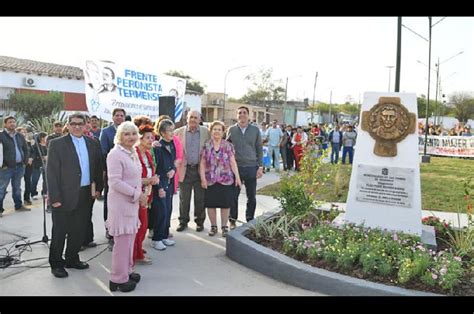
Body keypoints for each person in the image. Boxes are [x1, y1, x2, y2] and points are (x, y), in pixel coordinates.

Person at [46, 113, 104, 279]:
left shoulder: (93, 143)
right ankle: (56, 263)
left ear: (86, 125)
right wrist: (54, 198)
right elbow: (52, 172)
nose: (77, 127)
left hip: (86, 193)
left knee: (78, 230)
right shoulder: (57, 144)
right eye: (73, 124)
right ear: (68, 125)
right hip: (63, 195)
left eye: (80, 124)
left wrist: (99, 187)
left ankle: (72, 258)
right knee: (60, 231)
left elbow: (98, 167)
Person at [106, 121, 144, 292]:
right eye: (126, 134)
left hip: (132, 204)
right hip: (121, 204)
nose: (131, 137)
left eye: (133, 133)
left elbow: (135, 178)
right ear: (119, 136)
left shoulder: (132, 152)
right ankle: (117, 279)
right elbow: (114, 182)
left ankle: (127, 271)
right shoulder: (115, 154)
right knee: (122, 243)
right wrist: (137, 195)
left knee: (130, 240)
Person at [200, 121, 241, 237]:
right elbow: (202, 163)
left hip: (226, 180)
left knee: (225, 205)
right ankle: (213, 226)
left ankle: (224, 226)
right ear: (211, 131)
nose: (217, 131)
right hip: (210, 180)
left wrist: (237, 177)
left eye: (219, 129)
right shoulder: (206, 145)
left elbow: (233, 162)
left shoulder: (228, 146)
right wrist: (203, 178)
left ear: (223, 132)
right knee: (211, 204)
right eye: (214, 129)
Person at [226, 106, 263, 229]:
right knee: (233, 196)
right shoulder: (231, 130)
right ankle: (232, 220)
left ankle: (250, 219)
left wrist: (260, 166)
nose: (242, 115)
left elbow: (259, 148)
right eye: (239, 113)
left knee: (251, 196)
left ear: (249, 115)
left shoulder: (255, 130)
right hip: (236, 168)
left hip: (251, 167)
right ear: (237, 115)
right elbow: (226, 147)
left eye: (244, 113)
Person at [174, 111, 210, 232]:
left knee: (200, 198)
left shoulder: (206, 132)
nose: (193, 119)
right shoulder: (178, 132)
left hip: (200, 170)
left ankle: (199, 222)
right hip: (185, 169)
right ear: (187, 118)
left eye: (195, 117)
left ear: (200, 119)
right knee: (184, 198)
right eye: (191, 117)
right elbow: (167, 141)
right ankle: (183, 221)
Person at [134, 124, 159, 265]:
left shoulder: (148, 154)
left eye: (153, 137)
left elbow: (151, 172)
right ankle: (136, 254)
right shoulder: (134, 154)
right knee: (140, 225)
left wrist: (154, 179)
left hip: (146, 195)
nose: (151, 140)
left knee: (143, 225)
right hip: (135, 196)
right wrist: (149, 180)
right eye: (148, 138)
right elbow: (130, 178)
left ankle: (138, 248)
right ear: (140, 138)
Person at [100, 108, 126, 243]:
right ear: (112, 117)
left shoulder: (129, 130)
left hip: (126, 175)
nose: (119, 117)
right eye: (117, 115)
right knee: (110, 203)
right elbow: (103, 153)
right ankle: (109, 229)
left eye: (122, 115)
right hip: (111, 173)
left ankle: (121, 229)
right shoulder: (106, 132)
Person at [151, 119, 177, 251]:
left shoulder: (172, 144)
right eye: (169, 131)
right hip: (160, 185)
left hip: (170, 184)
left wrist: (173, 170)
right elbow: (155, 169)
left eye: (173, 130)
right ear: (161, 132)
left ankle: (165, 235)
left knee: (168, 210)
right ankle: (156, 238)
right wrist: (159, 187)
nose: (172, 133)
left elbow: (174, 163)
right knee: (160, 212)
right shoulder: (157, 147)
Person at [0, 116, 30, 217]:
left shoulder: (20, 136)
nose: (12, 124)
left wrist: (25, 162)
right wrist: (3, 164)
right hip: (6, 168)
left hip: (19, 166)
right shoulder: (1, 135)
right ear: (5, 124)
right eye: (10, 122)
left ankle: (18, 205)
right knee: (2, 189)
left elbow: (26, 149)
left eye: (14, 122)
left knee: (17, 187)